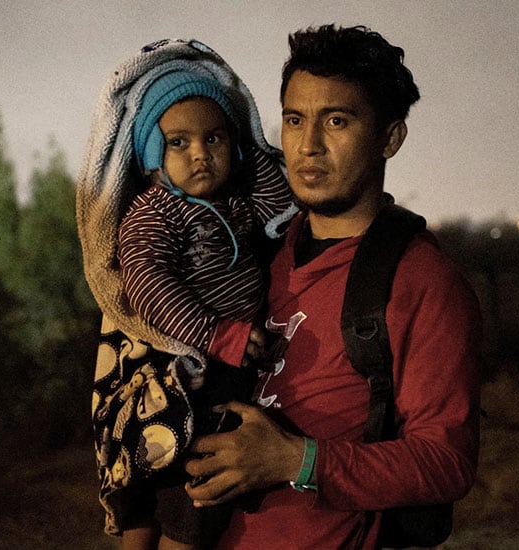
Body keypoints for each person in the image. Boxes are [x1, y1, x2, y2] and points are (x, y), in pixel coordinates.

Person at [183, 24, 482, 549]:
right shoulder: (254, 255)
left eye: (337, 121)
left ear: (390, 137)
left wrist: (294, 460)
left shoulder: (421, 280)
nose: (309, 145)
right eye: (294, 119)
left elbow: (445, 460)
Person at [76, 39, 296, 549]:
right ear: (153, 153)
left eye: (215, 138)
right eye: (178, 142)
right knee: (186, 499)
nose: (200, 153)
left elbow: (278, 202)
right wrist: (219, 336)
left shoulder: (237, 201)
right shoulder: (155, 213)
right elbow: (150, 288)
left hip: (226, 364)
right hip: (186, 376)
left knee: (187, 505)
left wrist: (250, 152)